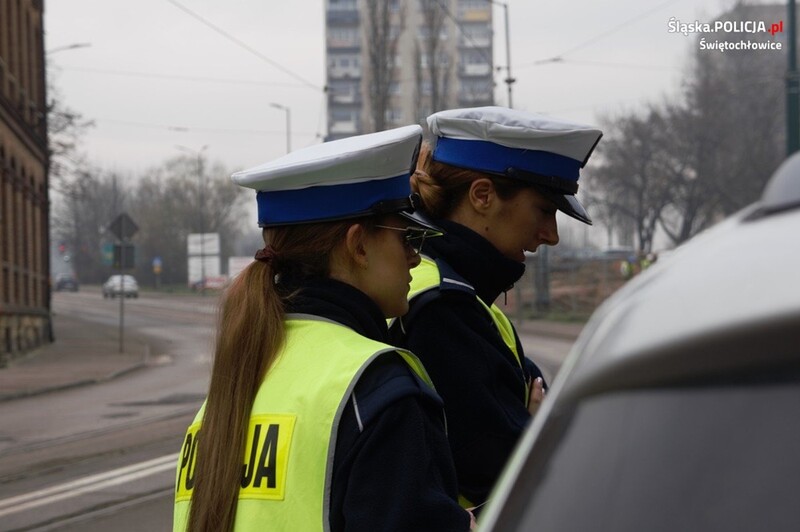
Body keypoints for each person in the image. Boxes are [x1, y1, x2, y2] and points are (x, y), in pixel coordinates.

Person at [173, 125, 472, 532]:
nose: (414, 258)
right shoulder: (376, 387)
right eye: (407, 237)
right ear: (358, 245)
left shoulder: (222, 399)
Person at [390, 106, 602, 511]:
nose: (552, 236)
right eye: (544, 210)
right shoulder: (444, 309)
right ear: (482, 196)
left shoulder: (454, 292)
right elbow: (515, 473)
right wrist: (535, 430)